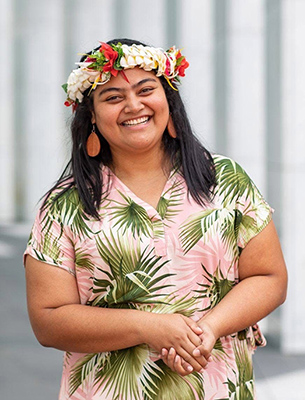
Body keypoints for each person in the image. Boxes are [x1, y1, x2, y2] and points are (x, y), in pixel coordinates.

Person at [24, 38, 287, 400]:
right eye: (113, 97)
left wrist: (207, 330)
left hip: (216, 388)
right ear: (92, 117)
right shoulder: (65, 204)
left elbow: (269, 276)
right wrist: (149, 327)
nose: (134, 105)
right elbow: (48, 319)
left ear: (168, 100)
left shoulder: (224, 179)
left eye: (146, 89)